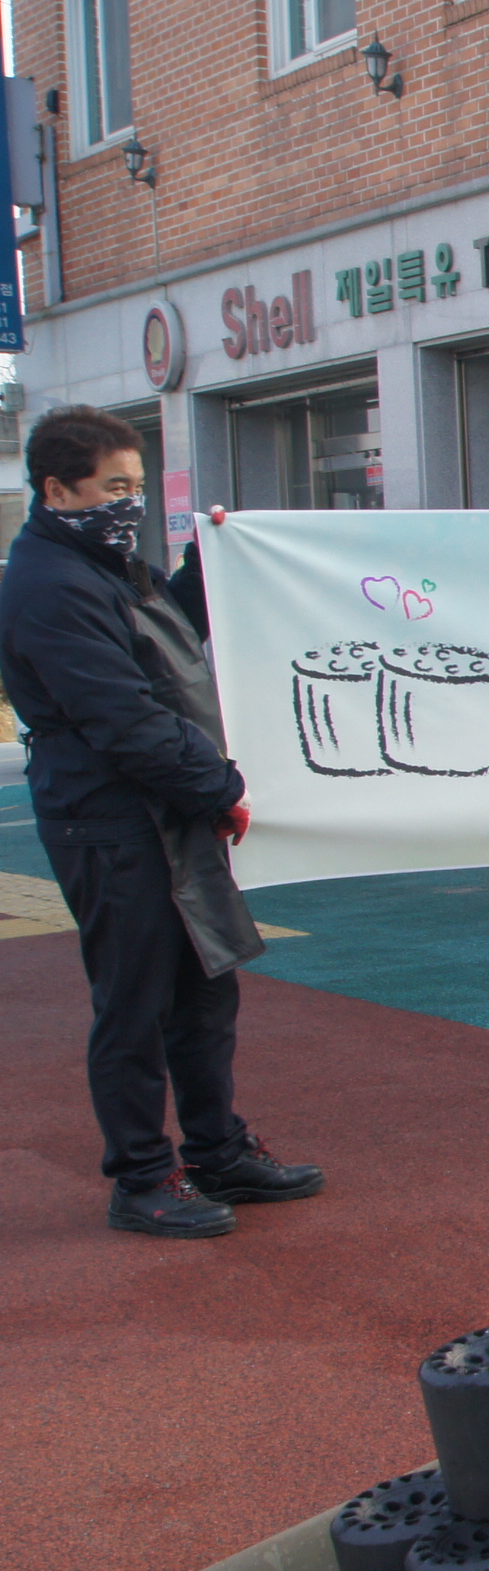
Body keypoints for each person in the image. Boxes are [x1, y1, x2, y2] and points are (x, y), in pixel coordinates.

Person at [0, 406, 322, 1236]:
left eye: (137, 486)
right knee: (135, 1000)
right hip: (108, 819)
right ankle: (142, 1177)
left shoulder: (100, 561)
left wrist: (211, 562)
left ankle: (218, 1150)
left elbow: (167, 635)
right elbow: (121, 714)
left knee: (205, 989)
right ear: (57, 488)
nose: (129, 502)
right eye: (114, 486)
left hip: (163, 808)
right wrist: (215, 787)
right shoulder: (47, 582)